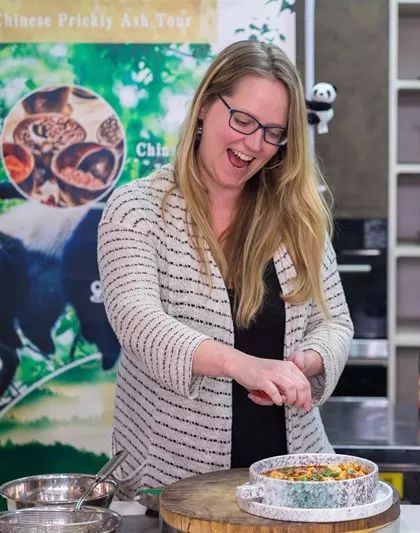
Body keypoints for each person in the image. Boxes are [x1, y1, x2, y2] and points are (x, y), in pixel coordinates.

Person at [97, 40, 353, 497]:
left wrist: (302, 364)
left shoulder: (297, 215)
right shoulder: (136, 209)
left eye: (274, 132)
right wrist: (245, 367)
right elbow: (138, 323)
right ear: (204, 107)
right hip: (171, 485)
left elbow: (333, 323)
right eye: (243, 121)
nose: (253, 144)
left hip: (295, 481)